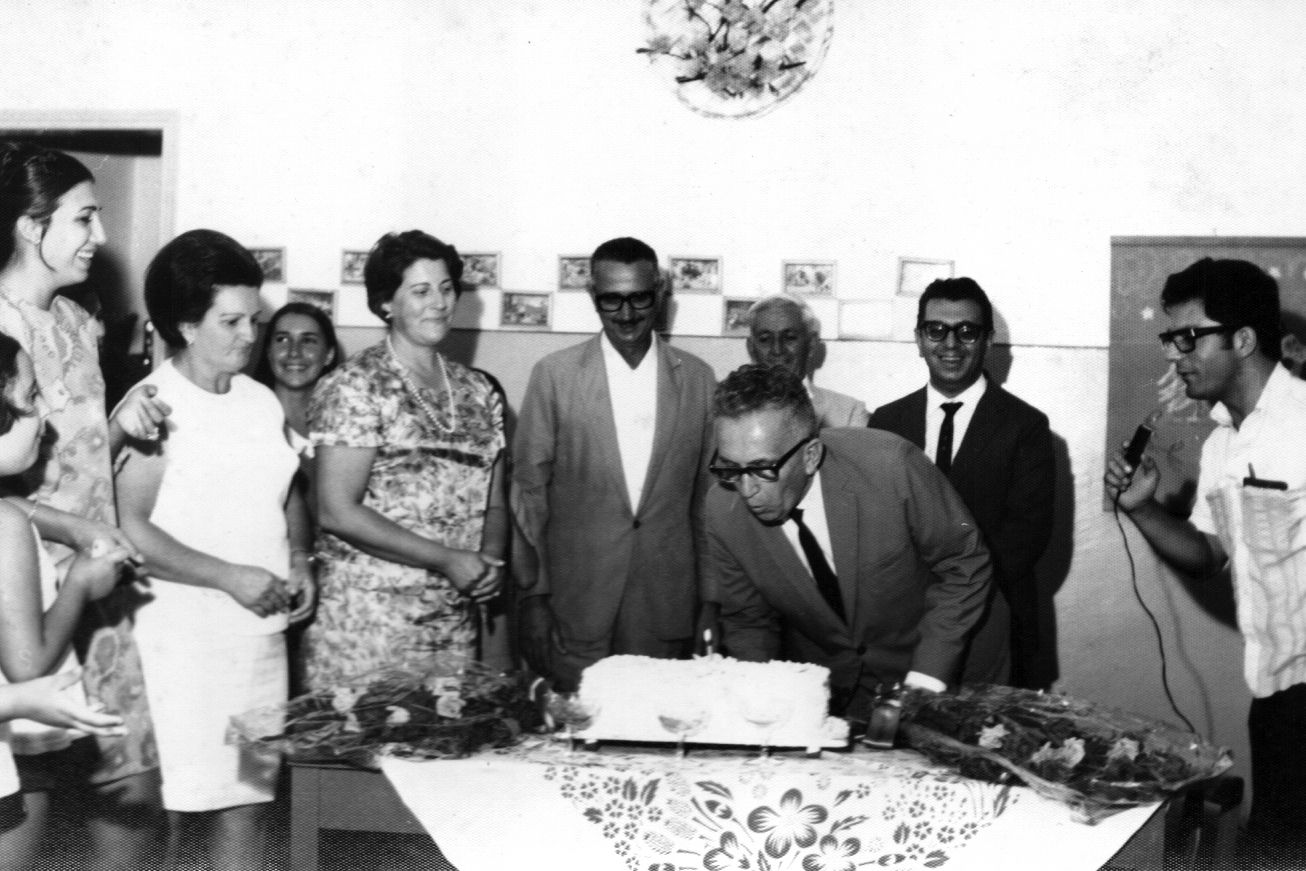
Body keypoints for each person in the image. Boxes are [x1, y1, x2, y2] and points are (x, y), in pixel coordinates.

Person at [115, 229, 313, 871]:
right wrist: (229, 576)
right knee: (180, 816)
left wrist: (300, 557)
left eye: (254, 318)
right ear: (185, 324)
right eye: (231, 322)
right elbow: (131, 530)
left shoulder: (260, 401)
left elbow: (287, 490)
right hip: (181, 647)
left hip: (259, 644)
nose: (250, 336)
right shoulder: (155, 408)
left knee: (250, 804)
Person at [1104, 257, 1306, 865]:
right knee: (1273, 853)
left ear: (1242, 339)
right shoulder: (1222, 443)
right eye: (1170, 339)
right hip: (1277, 698)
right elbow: (1207, 555)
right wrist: (1142, 509)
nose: (1175, 355)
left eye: (1189, 337)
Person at [0, 141, 168, 869]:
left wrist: (119, 427)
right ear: (30, 225)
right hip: (24, 598)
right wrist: (74, 530)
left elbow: (66, 450)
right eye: (83, 218)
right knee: (24, 806)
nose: (100, 236)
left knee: (133, 793)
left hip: (97, 589)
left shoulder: (75, 319)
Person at [704, 363, 992, 720]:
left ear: (810, 455)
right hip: (842, 687)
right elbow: (749, 622)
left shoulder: (890, 466)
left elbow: (964, 565)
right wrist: (760, 706)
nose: (746, 490)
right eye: (731, 468)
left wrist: (923, 685)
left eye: (763, 468)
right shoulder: (722, 509)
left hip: (947, 668)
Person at [305, 231, 507, 689]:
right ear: (386, 304)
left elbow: (494, 500)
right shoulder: (355, 384)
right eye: (420, 291)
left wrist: (488, 563)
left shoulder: (478, 390)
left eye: (446, 288)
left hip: (452, 619)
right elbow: (336, 511)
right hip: (368, 621)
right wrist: (449, 559)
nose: (438, 302)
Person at [513, 237, 717, 691]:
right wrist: (534, 597)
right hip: (574, 610)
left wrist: (710, 601)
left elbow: (708, 504)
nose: (626, 314)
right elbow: (529, 496)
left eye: (639, 298)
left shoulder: (699, 379)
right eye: (611, 300)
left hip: (666, 609)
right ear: (592, 295)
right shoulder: (554, 375)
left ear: (659, 292)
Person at [868, 277, 1055, 687]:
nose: (950, 344)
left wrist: (951, 602)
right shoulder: (886, 422)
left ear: (987, 340)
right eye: (936, 330)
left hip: (992, 620)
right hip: (903, 627)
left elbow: (1025, 538)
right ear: (919, 339)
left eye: (967, 331)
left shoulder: (1026, 426)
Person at [746, 293, 868, 428]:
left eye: (790, 337)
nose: (777, 350)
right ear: (751, 348)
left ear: (811, 344)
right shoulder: (728, 407)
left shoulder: (848, 413)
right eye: (765, 339)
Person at [253, 300, 341, 446]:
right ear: (269, 352)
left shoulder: (345, 420)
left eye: (308, 340)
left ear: (329, 355)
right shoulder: (248, 416)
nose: (294, 352)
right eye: (282, 339)